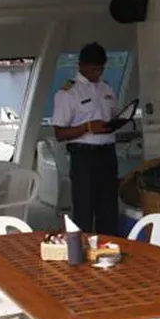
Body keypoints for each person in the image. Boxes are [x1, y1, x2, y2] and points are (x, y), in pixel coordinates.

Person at [52, 42, 120, 235]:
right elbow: (59, 134)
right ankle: (81, 249)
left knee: (109, 209)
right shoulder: (68, 93)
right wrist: (87, 127)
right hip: (84, 158)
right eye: (94, 69)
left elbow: (113, 117)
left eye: (101, 69)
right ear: (81, 65)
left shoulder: (107, 89)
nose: (98, 73)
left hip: (108, 155)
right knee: (84, 210)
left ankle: (109, 247)